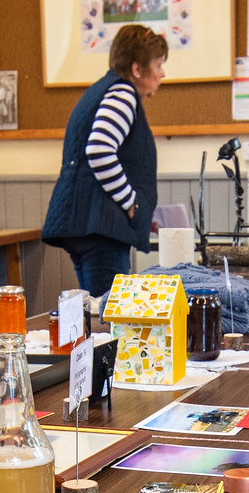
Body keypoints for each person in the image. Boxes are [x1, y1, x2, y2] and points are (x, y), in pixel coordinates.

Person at [42, 24, 166, 297]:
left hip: (85, 226)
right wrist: (131, 204)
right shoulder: (123, 94)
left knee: (96, 308)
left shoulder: (101, 90)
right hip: (101, 230)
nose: (162, 73)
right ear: (137, 69)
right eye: (158, 65)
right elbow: (99, 150)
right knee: (111, 313)